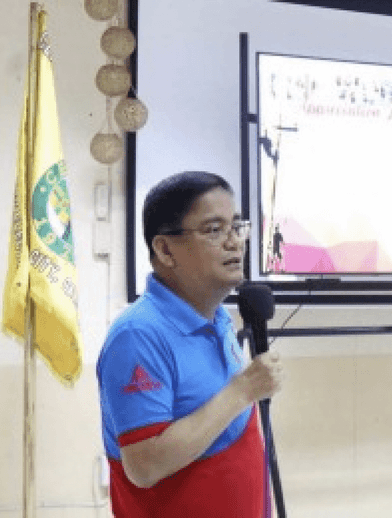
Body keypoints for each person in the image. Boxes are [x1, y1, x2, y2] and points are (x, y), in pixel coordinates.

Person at [97, 171, 284, 517]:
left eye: (236, 227)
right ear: (165, 249)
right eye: (214, 230)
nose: (234, 242)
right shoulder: (138, 335)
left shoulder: (218, 318)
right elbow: (145, 466)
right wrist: (243, 391)